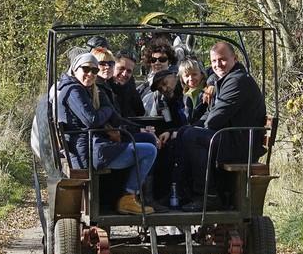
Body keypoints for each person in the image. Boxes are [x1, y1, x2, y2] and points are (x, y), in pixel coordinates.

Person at [166, 41, 266, 212]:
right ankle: (181, 192)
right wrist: (192, 127)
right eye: (214, 61)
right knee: (184, 132)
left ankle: (209, 195)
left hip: (241, 143)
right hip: (231, 137)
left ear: (235, 58)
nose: (218, 64)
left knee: (191, 136)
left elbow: (215, 119)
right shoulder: (224, 80)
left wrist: (197, 130)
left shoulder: (238, 81)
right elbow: (209, 114)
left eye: (222, 59)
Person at [56, 53, 157, 215]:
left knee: (148, 139)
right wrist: (108, 109)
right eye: (86, 69)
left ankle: (145, 196)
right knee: (149, 151)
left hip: (96, 144)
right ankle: (128, 196)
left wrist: (140, 129)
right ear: (75, 69)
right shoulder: (73, 90)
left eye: (94, 70)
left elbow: (116, 118)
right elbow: (91, 120)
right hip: (88, 152)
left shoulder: (91, 90)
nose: (90, 74)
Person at [111, 52, 145, 118]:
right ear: (113, 67)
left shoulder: (132, 91)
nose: (124, 74)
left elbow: (140, 113)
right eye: (121, 68)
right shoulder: (103, 88)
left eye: (129, 71)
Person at [177, 58, 209, 124]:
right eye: (187, 76)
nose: (191, 78)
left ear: (202, 74)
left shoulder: (207, 91)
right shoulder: (185, 95)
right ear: (182, 78)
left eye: (194, 74)